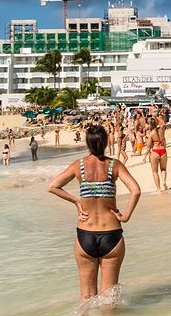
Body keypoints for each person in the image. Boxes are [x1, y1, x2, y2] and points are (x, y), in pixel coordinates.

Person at [47, 124, 142, 303]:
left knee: (86, 297)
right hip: (111, 235)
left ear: (88, 144)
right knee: (109, 299)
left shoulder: (79, 166)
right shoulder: (114, 165)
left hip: (85, 235)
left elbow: (53, 186)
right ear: (106, 142)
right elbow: (135, 190)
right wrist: (126, 216)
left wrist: (77, 201)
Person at [145, 117, 168, 193]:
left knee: (155, 171)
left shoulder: (151, 134)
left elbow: (148, 146)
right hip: (163, 150)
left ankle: (158, 188)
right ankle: (164, 181)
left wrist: (145, 156)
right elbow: (163, 123)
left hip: (155, 151)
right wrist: (156, 116)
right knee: (163, 169)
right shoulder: (161, 130)